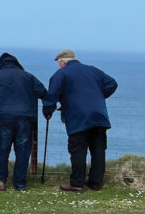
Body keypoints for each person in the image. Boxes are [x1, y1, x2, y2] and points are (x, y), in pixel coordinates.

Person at [43, 49, 118, 193]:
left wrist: (48, 111)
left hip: (78, 116)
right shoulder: (93, 70)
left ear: (62, 62)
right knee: (98, 149)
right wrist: (98, 97)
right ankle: (95, 182)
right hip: (99, 115)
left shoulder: (61, 74)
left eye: (59, 63)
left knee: (78, 149)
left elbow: (52, 94)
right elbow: (112, 84)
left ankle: (77, 184)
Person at [0, 53, 47, 191]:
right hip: (25, 118)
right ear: (17, 63)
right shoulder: (28, 76)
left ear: (0, 64)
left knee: (2, 150)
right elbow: (43, 92)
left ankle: (1, 181)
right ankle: (20, 183)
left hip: (3, 118)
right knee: (22, 151)